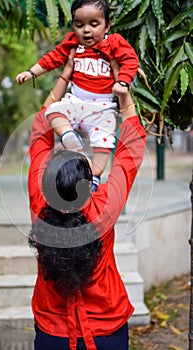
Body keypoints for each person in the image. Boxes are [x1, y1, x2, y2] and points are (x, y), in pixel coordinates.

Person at [27, 55, 146, 350]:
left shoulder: (39, 200)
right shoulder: (104, 205)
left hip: (52, 330)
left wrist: (64, 78)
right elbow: (132, 151)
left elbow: (39, 135)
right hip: (107, 327)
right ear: (89, 182)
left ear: (49, 178)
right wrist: (124, 95)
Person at [17, 0, 139, 191]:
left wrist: (123, 82)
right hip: (76, 101)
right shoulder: (73, 42)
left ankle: (94, 177)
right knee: (54, 112)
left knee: (104, 143)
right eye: (79, 25)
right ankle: (70, 137)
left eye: (94, 24)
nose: (86, 31)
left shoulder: (114, 43)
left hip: (101, 107)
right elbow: (53, 57)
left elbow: (130, 60)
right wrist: (31, 72)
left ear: (107, 25)